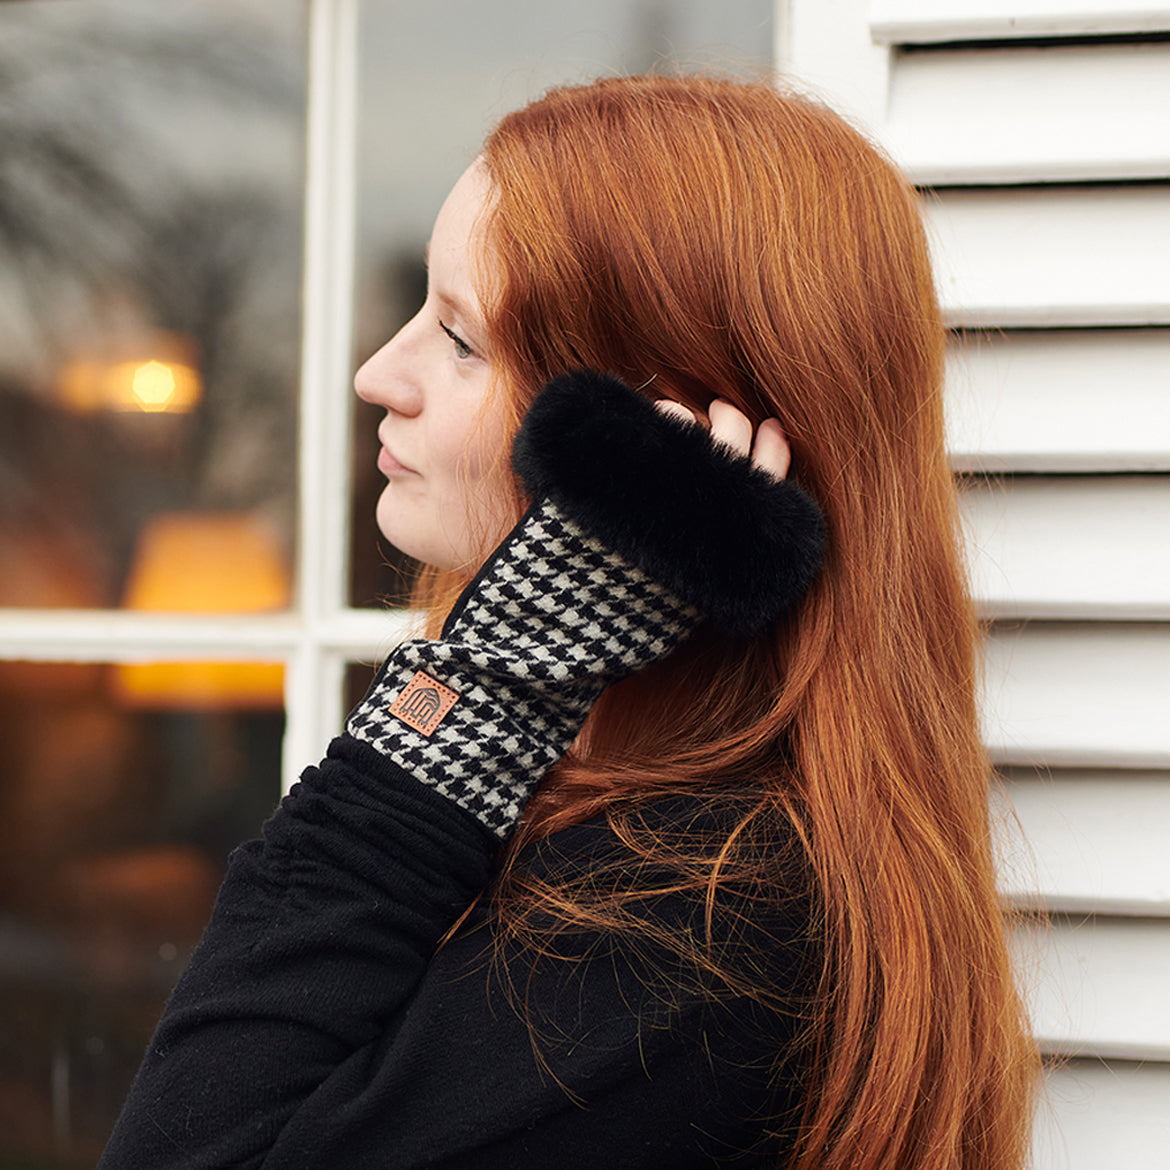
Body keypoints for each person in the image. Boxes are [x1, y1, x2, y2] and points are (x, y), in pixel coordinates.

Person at [100, 75, 1036, 1169]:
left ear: (648, 441)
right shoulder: (586, 817)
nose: (375, 374)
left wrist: (489, 686)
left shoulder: (696, 924)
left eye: (459, 339)